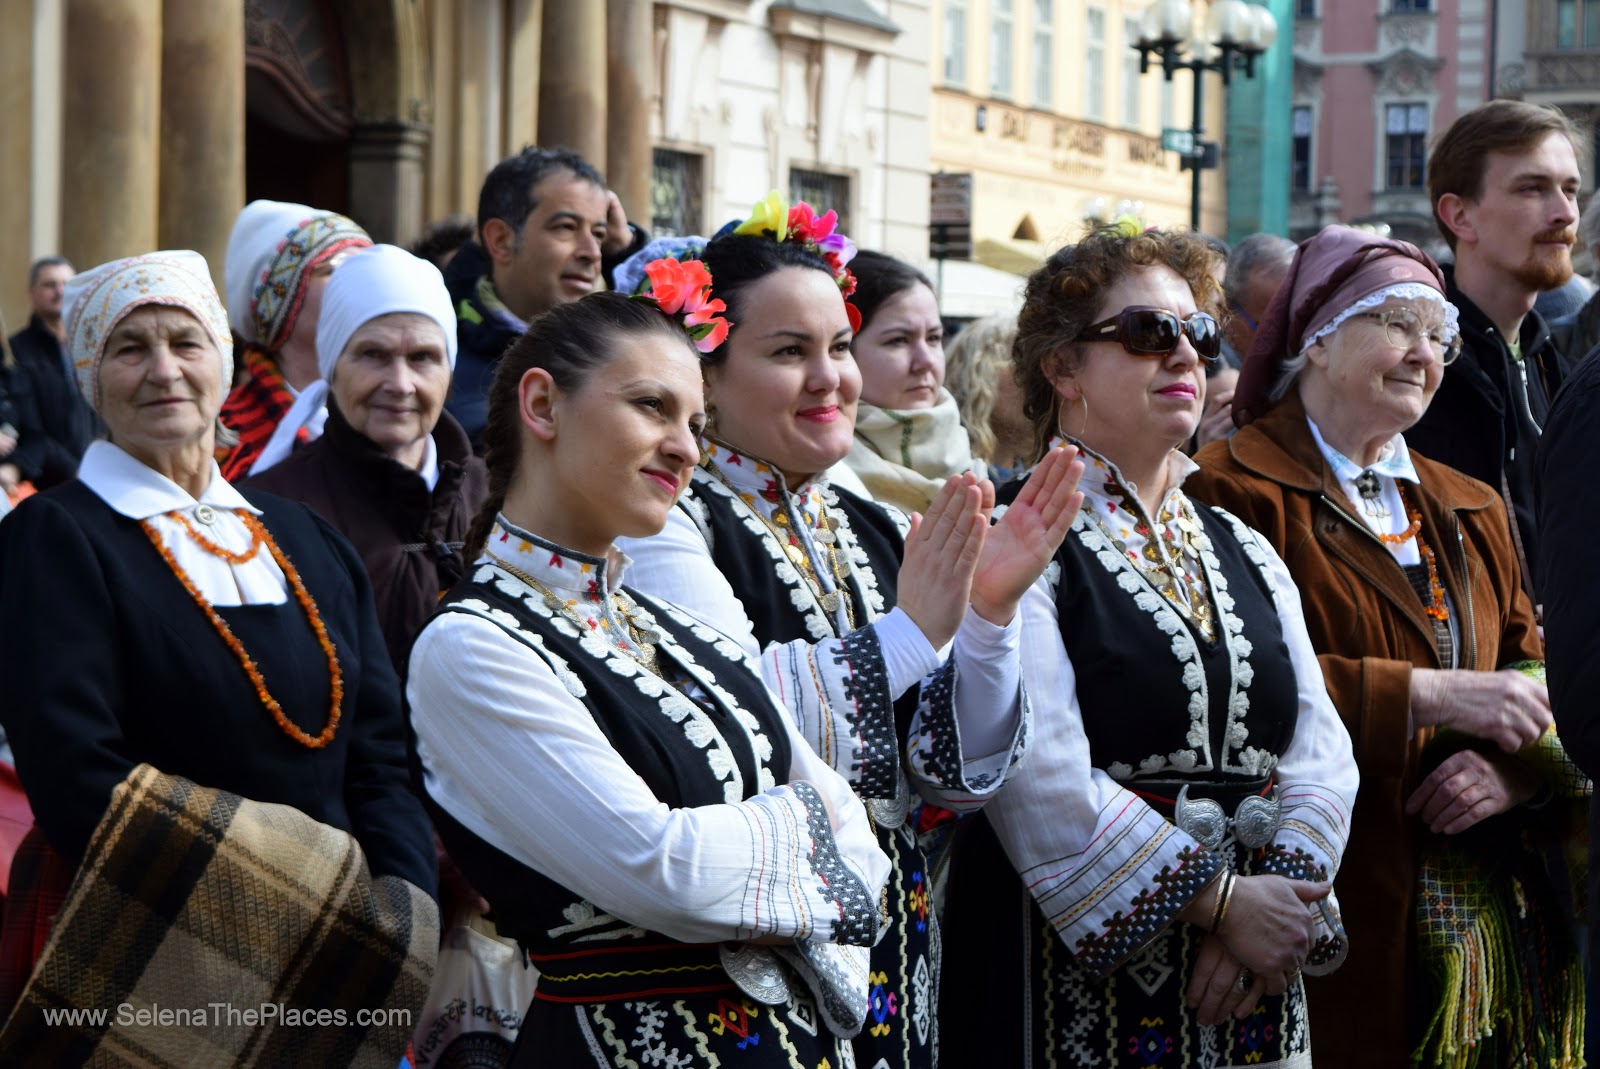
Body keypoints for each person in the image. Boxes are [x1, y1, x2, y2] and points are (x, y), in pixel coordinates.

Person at [616, 195, 1087, 1069]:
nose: (831, 377)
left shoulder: (866, 520)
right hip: (747, 976)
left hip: (894, 960)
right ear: (704, 376)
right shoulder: (664, 520)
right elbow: (730, 716)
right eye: (789, 352)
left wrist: (987, 615)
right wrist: (913, 632)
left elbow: (954, 776)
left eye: (838, 347)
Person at [406, 288, 895, 1066]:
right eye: (651, 407)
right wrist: (811, 828)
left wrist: (800, 832)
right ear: (543, 404)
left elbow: (857, 834)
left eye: (696, 424)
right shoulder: (471, 649)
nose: (686, 447)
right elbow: (665, 869)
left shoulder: (681, 630)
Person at [0, 251, 437, 1063]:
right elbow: (74, 770)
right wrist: (288, 901)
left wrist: (399, 914)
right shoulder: (55, 535)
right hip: (157, 937)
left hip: (339, 952)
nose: (164, 369)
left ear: (224, 363)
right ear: (93, 377)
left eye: (186, 342)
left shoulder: (306, 537)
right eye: (131, 348)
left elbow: (380, 755)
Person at [940, 223, 1359, 1068]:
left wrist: (1273, 907)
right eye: (1146, 333)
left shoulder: (1242, 543)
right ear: (1061, 368)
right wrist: (1221, 900)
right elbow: (1037, 770)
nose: (1184, 356)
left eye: (1199, 334)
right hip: (1066, 981)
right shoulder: (1009, 536)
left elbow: (1320, 748)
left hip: (1252, 987)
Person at [1193, 225, 1584, 1069]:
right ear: (1320, 339)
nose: (1423, 353)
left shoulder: (1470, 502)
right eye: (1398, 324)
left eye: (1436, 335)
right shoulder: (1233, 486)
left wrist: (1516, 773)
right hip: (1326, 896)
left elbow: (1532, 669)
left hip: (1481, 910)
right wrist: (1430, 695)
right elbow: (1233, 689)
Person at [244, 244, 486, 670]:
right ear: (333, 366)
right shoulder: (269, 511)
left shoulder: (498, 497)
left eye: (422, 358)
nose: (400, 383)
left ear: (449, 373)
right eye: (373, 354)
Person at [1410, 100, 1581, 602]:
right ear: (1460, 215)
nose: (1565, 212)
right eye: (1533, 188)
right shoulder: (1415, 369)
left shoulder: (1556, 365)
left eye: (1571, 189)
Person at [444, 146, 648, 448]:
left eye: (599, 234)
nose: (592, 253)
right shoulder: (439, 357)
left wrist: (625, 253)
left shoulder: (610, 353)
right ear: (501, 240)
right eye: (566, 227)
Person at [219, 199, 374, 479]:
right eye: (332, 269)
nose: (357, 281)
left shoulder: (393, 410)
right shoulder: (225, 436)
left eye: (363, 266)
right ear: (281, 304)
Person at [837, 249, 981, 514]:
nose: (925, 361)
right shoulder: (821, 479)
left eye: (934, 338)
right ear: (841, 349)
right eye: (898, 340)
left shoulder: (979, 465)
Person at [1198, 233, 1295, 449]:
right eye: (1271, 328)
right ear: (1225, 313)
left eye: (1298, 325)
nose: (1289, 343)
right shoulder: (1212, 379)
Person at [7, 257, 96, 489]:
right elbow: (30, 428)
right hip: (46, 482)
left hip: (95, 475)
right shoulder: (15, 351)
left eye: (67, 284)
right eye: (50, 285)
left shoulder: (90, 347)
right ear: (32, 292)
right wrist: (73, 470)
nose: (60, 292)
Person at [942, 312, 1034, 481]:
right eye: (1020, 364)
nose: (1037, 379)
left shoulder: (1033, 475)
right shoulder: (949, 475)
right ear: (976, 376)